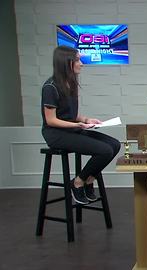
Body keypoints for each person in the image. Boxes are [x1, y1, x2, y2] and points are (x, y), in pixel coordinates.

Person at [41, 46, 120, 205]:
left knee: (114, 144)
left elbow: (70, 114)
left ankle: (89, 179)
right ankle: (77, 182)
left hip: (72, 129)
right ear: (66, 62)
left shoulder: (70, 83)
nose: (81, 63)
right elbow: (51, 120)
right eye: (77, 60)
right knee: (104, 150)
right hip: (56, 134)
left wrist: (86, 120)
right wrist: (77, 125)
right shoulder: (50, 87)